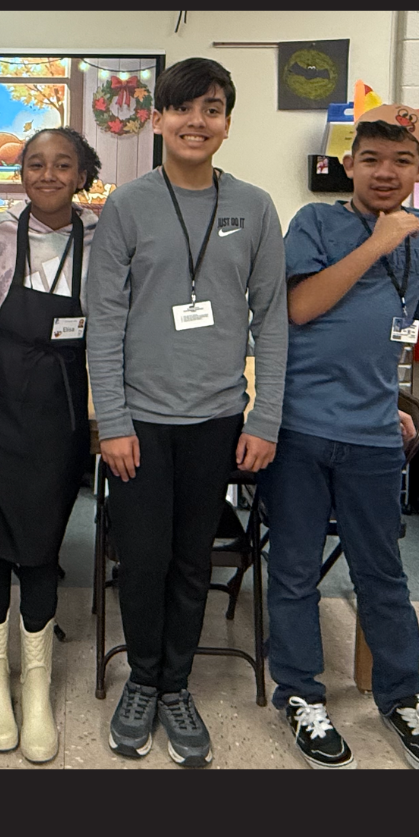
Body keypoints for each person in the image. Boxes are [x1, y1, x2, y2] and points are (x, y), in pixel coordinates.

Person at [86, 57, 288, 766]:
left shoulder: (256, 207)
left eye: (211, 108)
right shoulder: (128, 206)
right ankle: (143, 678)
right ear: (158, 119)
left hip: (218, 420)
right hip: (138, 422)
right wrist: (111, 421)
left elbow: (276, 321)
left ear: (228, 122)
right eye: (182, 108)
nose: (196, 122)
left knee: (192, 561)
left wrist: (264, 419)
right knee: (141, 561)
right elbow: (104, 321)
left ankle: (177, 686)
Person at [258, 103, 419, 770]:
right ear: (349, 165)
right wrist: (379, 240)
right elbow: (299, 306)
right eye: (370, 159)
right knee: (293, 570)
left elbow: (404, 322)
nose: (385, 172)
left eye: (402, 161)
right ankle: (302, 695)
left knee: (382, 572)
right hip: (301, 426)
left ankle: (403, 696)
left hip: (373, 433)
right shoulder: (316, 222)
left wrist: (394, 402)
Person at [0, 127, 101, 762]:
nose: (47, 174)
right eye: (35, 164)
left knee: (42, 544)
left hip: (59, 410)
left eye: (62, 164)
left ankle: (38, 683)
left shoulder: (104, 241)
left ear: (82, 174)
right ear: (20, 173)